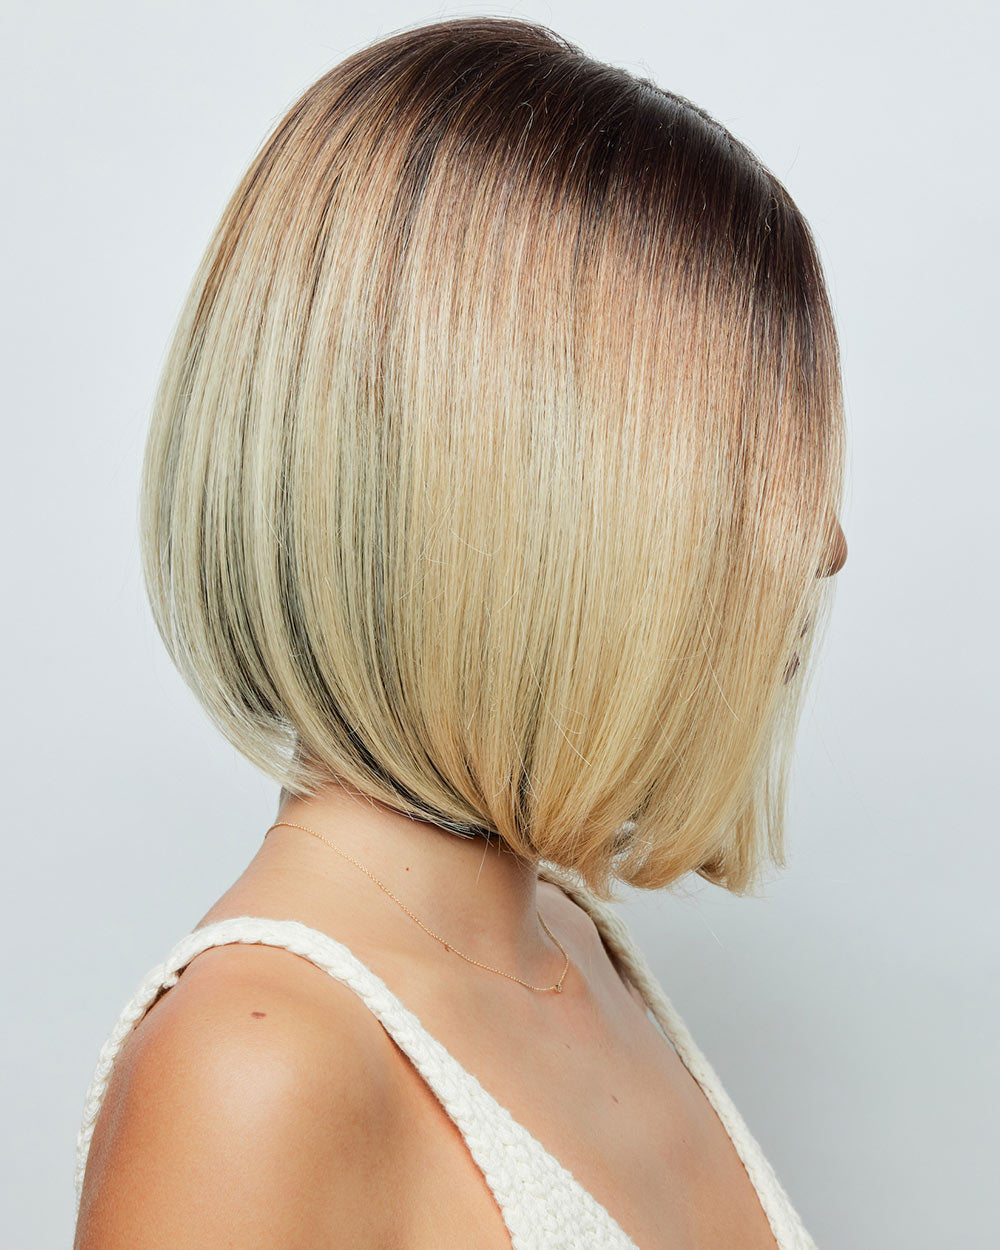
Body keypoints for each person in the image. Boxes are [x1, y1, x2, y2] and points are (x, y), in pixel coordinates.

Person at [72, 16, 847, 1250]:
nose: (825, 545)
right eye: (749, 464)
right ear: (532, 491)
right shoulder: (256, 1069)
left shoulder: (574, 942)